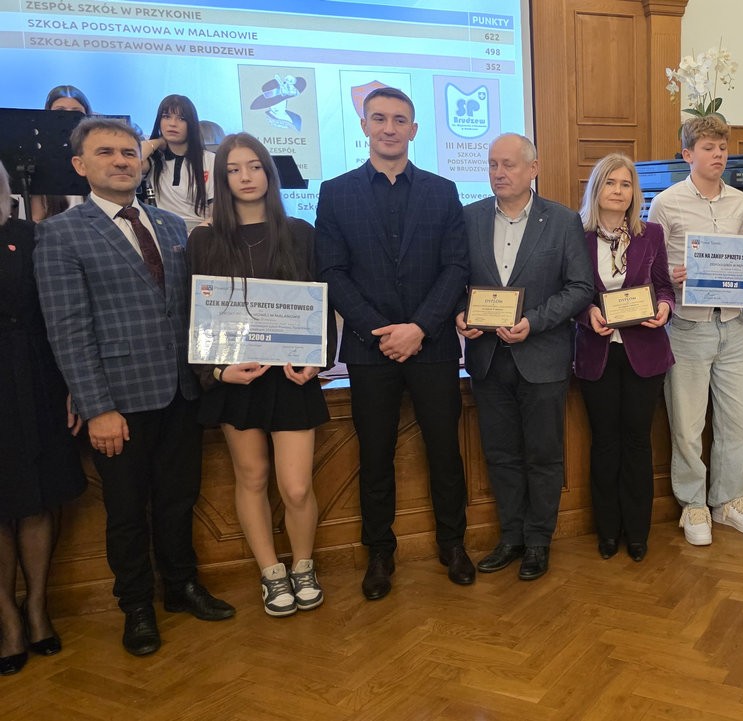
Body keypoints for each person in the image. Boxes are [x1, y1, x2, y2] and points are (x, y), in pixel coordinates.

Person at [33, 118, 234, 657]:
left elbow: (195, 308)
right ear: (80, 165)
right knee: (126, 512)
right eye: (106, 152)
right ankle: (136, 606)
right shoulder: (60, 234)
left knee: (178, 499)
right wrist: (97, 407)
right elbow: (67, 329)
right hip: (118, 403)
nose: (121, 160)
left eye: (128, 152)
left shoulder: (171, 226)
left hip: (181, 393)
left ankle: (181, 586)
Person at [314, 86, 473, 598]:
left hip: (434, 346)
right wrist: (380, 331)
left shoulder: (442, 191)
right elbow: (331, 271)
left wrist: (419, 328)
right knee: (375, 456)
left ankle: (453, 543)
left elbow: (456, 267)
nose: (389, 127)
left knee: (445, 452)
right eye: (379, 118)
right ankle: (379, 553)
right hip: (370, 349)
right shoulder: (335, 192)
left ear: (414, 129)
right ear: (364, 126)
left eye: (399, 119)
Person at [188, 134, 333, 616]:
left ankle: (304, 565)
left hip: (291, 378)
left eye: (254, 166)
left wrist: (318, 359)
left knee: (296, 486)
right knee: (251, 477)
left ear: (269, 173)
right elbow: (194, 315)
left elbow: (322, 302)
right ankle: (271, 572)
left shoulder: (301, 233)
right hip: (237, 379)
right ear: (221, 179)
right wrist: (217, 370)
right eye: (233, 169)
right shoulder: (204, 239)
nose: (246, 177)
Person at [455, 133, 593, 581]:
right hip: (487, 358)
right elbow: (455, 279)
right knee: (500, 454)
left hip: (542, 357)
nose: (499, 173)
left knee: (543, 455)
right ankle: (511, 536)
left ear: (533, 169)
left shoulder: (562, 220)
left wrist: (533, 321)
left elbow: (580, 288)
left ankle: (538, 541)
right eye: (493, 164)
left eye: (509, 164)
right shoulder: (469, 218)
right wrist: (459, 312)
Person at [648, 115, 743, 546]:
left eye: (722, 147)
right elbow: (651, 268)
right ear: (687, 154)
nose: (718, 155)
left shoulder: (742, 202)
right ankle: (694, 504)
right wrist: (672, 275)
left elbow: (741, 258)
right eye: (708, 148)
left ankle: (728, 500)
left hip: (732, 324)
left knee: (741, 422)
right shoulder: (666, 203)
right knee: (687, 424)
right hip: (686, 325)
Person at [0, 160, 87, 675]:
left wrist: (74, 384)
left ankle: (36, 607)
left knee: (37, 497)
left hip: (34, 378)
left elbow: (61, 314)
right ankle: (7, 618)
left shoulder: (32, 235)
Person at [573, 153, 675, 563]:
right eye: (610, 183)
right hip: (596, 352)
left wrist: (665, 307)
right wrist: (587, 313)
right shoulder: (576, 235)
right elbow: (569, 292)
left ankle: (637, 531)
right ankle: (607, 530)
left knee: (637, 441)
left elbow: (664, 286)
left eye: (626, 184)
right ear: (596, 189)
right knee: (604, 442)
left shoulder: (651, 234)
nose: (618, 191)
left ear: (635, 192)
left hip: (644, 353)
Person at [142, 95, 213, 233]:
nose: (172, 124)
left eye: (181, 118)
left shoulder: (209, 160)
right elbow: (134, 161)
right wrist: (158, 142)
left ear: (191, 124)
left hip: (201, 232)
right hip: (164, 232)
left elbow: (217, 214)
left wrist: (195, 236)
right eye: (166, 117)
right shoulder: (155, 161)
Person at [31, 85, 94, 222]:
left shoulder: (95, 152)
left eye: (76, 112)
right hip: (54, 229)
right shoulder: (39, 155)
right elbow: (37, 218)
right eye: (60, 111)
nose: (67, 117)